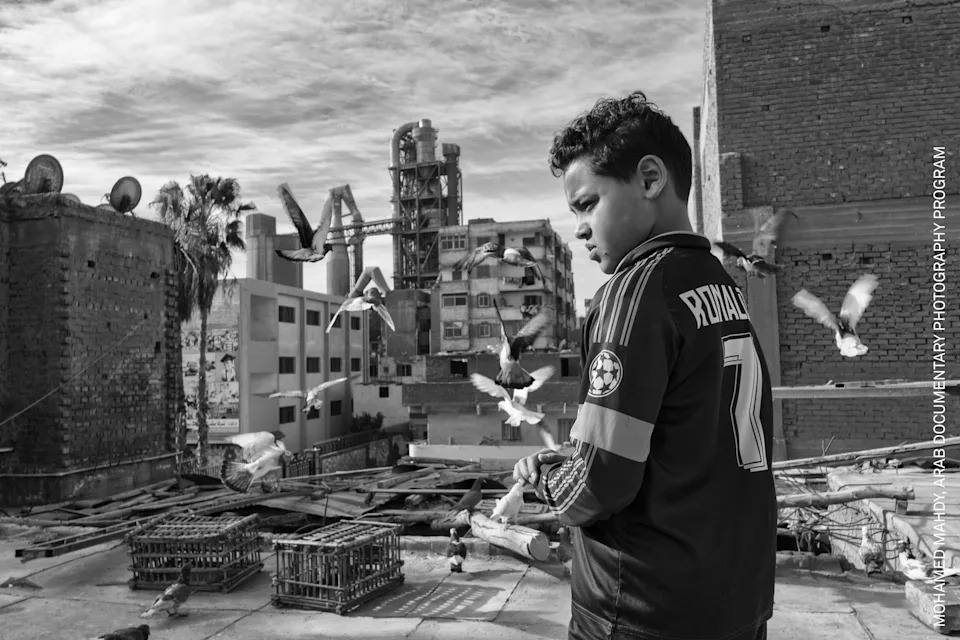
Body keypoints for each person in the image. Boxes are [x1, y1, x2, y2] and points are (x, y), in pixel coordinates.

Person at [514, 90, 776, 640]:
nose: (579, 229)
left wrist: (547, 482)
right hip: (736, 598)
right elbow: (683, 436)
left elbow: (604, 480)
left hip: (641, 608)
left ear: (650, 179)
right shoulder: (717, 283)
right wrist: (580, 455)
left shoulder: (635, 291)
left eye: (587, 204)